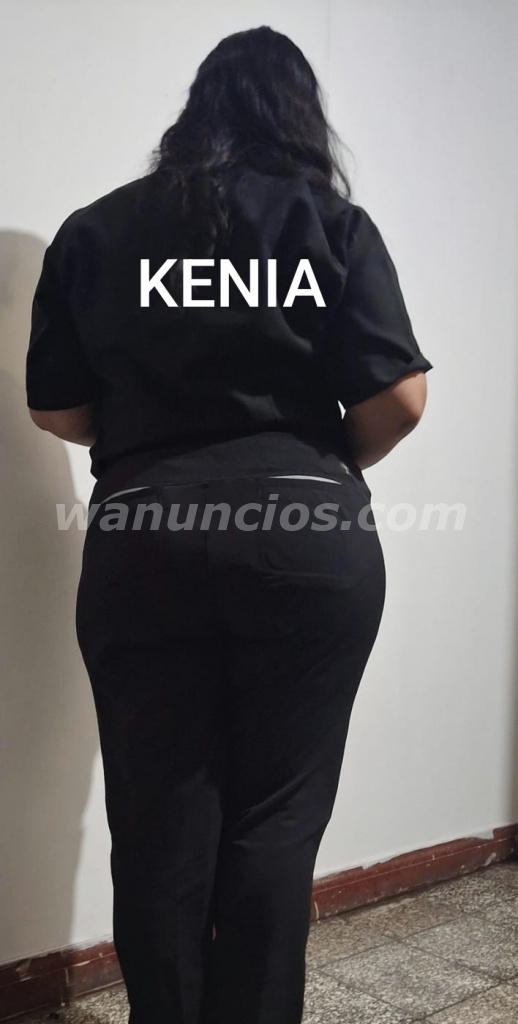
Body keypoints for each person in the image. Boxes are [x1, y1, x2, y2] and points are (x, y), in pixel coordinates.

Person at [25, 25, 433, 1024]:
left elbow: (56, 409)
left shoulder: (95, 231)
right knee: (275, 819)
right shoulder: (330, 223)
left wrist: (151, 443)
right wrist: (315, 467)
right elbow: (400, 400)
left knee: (158, 821)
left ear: (193, 112)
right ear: (299, 119)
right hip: (305, 535)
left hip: (144, 535)